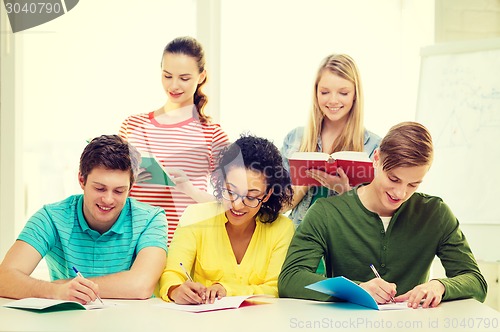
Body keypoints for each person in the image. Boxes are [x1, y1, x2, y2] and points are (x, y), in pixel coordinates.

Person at [278, 122, 487, 308]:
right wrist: (356, 290)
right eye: (393, 179)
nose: (400, 193)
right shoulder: (326, 212)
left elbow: (476, 281)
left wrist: (440, 285)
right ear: (376, 159)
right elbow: (290, 279)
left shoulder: (436, 213)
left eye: (413, 184)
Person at [0, 135, 168, 303]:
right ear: (82, 180)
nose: (108, 199)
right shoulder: (51, 217)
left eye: (119, 191)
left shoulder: (151, 219)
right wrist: (56, 291)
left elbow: (141, 285)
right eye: (100, 188)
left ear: (130, 187)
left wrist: (66, 285)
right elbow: (5, 278)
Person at [158, 134, 295, 304]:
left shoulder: (282, 228)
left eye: (251, 197)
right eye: (230, 192)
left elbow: (274, 288)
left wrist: (227, 290)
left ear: (266, 195)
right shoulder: (195, 216)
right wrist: (175, 290)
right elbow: (172, 273)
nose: (237, 205)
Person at [119, 36, 229, 245]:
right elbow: (114, 186)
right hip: (133, 243)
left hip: (184, 245)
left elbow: (230, 202)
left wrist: (189, 189)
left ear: (201, 76)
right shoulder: (132, 126)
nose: (174, 85)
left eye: (184, 78)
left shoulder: (212, 134)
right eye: (167, 76)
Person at [281, 54, 381, 226]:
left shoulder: (373, 146)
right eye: (325, 92)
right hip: (297, 242)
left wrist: (344, 191)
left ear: (355, 94)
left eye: (343, 93)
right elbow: (278, 206)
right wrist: (306, 182)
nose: (333, 100)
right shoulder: (295, 138)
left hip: (341, 247)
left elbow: (375, 218)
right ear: (316, 92)